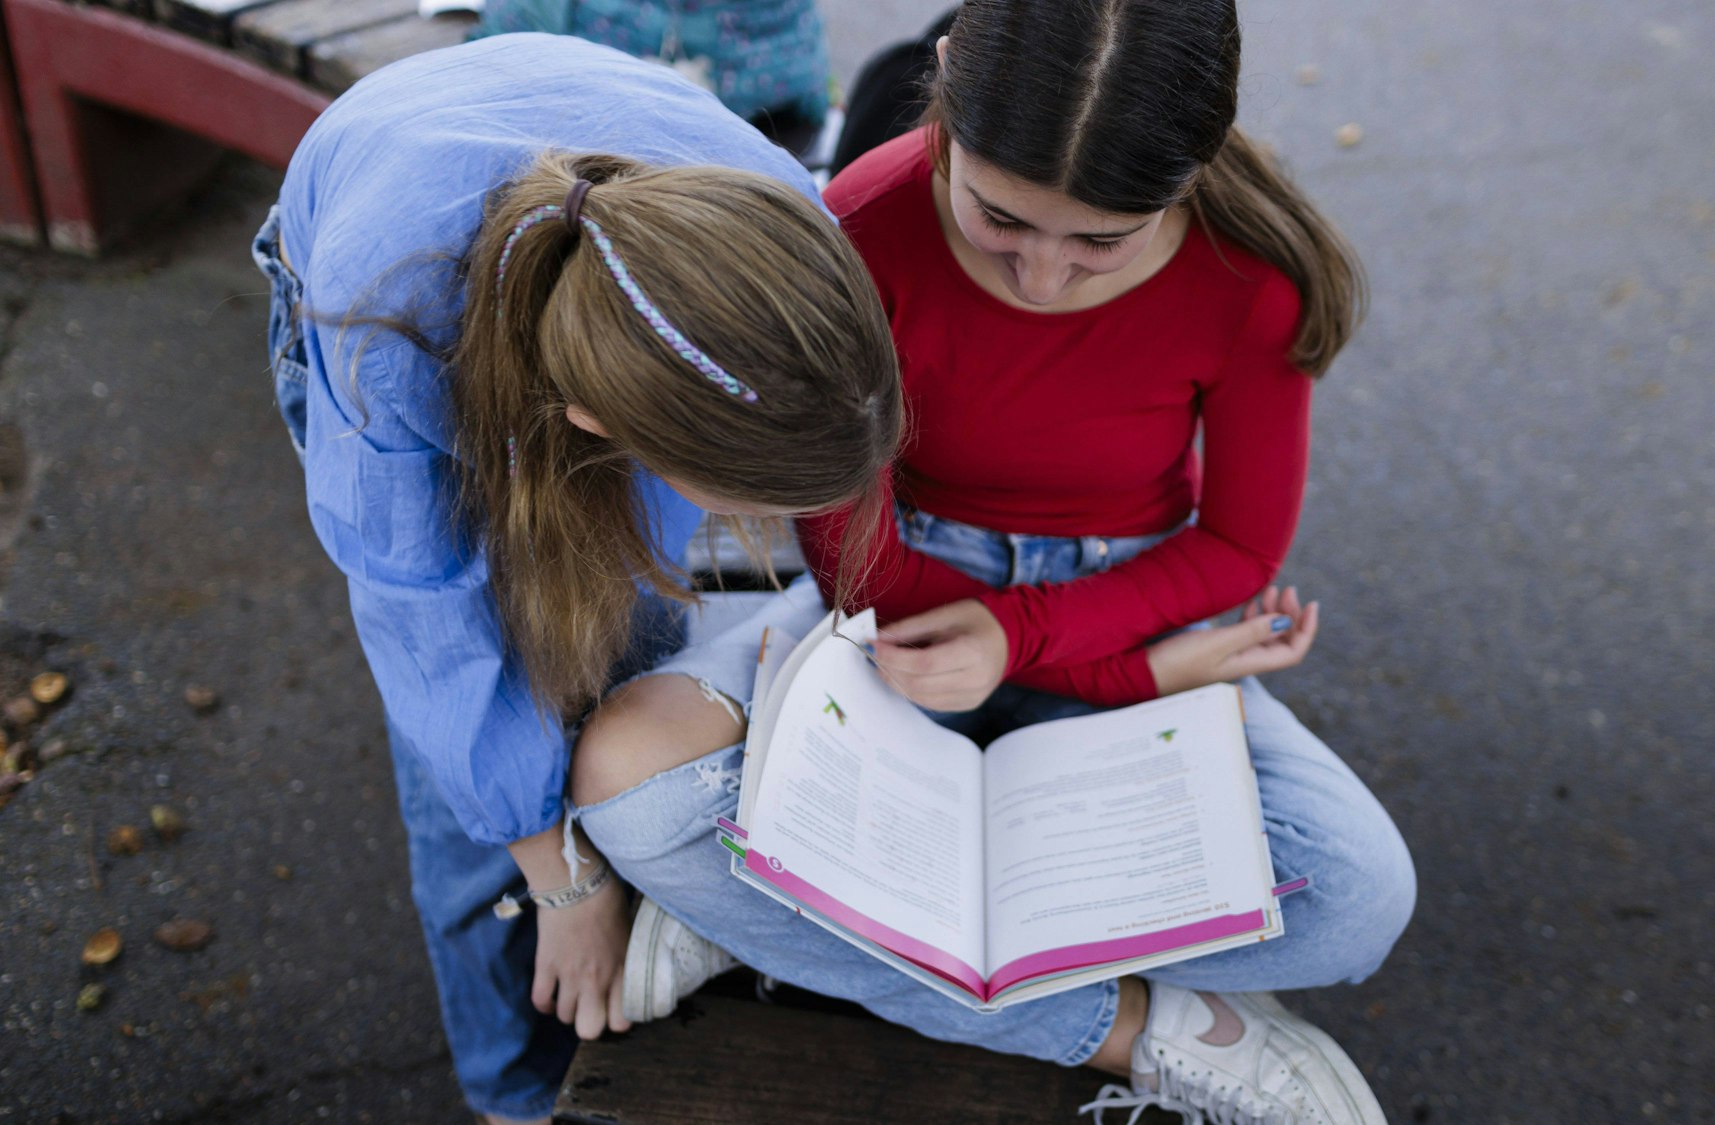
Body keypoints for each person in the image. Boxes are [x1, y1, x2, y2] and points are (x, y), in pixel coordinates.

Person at [570, 3, 1416, 1123]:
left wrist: (1036, 647)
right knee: (629, 779)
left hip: (1118, 603)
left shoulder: (1252, 277)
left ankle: (787, 916)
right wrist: (1112, 678)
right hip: (889, 599)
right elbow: (843, 533)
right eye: (999, 221)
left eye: (1101, 242)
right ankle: (1145, 1029)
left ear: (1191, 169)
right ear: (943, 103)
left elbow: (1236, 548)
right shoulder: (859, 222)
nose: (1042, 279)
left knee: (1358, 900)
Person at [251, 33, 899, 1125]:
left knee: (621, 642)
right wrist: (556, 879)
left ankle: (621, 932)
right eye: (733, 494)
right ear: (595, 428)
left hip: (597, 243)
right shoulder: (383, 347)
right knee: (468, 788)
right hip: (390, 264)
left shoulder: (788, 238)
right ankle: (512, 1093)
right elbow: (429, 637)